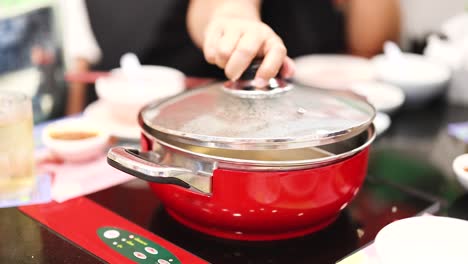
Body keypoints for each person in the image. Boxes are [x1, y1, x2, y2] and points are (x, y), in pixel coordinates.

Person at [62, 0, 400, 114]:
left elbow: (371, 47)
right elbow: (221, 7)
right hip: (190, 119)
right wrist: (235, 21)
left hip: (306, 114)